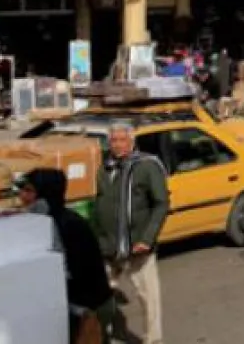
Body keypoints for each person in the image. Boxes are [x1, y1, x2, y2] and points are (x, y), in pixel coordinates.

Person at [18, 168, 115, 341]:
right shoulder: (45, 222)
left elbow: (70, 274)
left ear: (45, 196)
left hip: (87, 310)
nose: (22, 196)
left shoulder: (65, 225)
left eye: (29, 191)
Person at [92, 122, 168, 344]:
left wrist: (147, 238)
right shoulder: (104, 167)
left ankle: (153, 339)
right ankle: (101, 334)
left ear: (132, 142)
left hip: (138, 245)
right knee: (101, 295)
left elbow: (161, 204)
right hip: (108, 245)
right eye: (113, 140)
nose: (117, 145)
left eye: (122, 140)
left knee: (148, 296)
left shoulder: (147, 166)